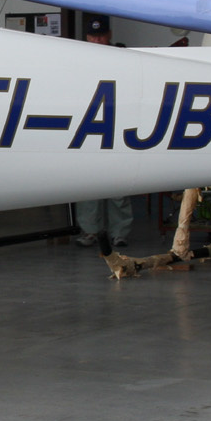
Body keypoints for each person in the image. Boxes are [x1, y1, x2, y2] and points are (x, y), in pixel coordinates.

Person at [73, 14, 134, 248]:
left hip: (117, 124)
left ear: (108, 35)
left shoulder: (123, 56)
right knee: (88, 181)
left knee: (118, 183)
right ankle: (90, 230)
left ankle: (120, 232)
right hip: (88, 126)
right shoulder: (79, 59)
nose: (96, 41)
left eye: (100, 36)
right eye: (92, 36)